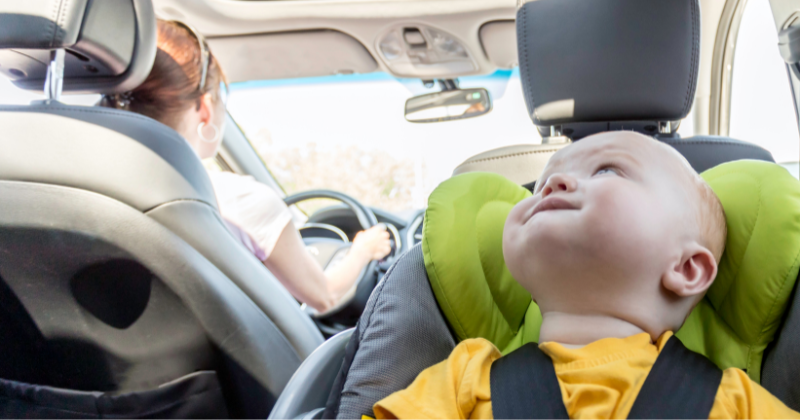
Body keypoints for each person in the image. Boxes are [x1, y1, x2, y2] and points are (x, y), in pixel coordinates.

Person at [371, 132, 800, 419]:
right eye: (539, 185)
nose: (554, 181)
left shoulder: (733, 400)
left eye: (608, 170)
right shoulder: (464, 375)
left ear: (686, 268)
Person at [101, 20, 391, 314]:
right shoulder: (242, 202)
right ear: (205, 108)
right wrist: (363, 251)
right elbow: (324, 296)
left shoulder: (91, 191)